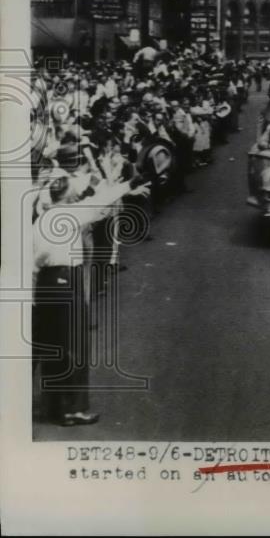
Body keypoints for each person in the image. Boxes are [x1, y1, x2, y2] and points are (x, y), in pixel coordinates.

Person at [33, 169, 150, 426]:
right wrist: (129, 183)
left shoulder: (40, 220)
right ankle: (73, 409)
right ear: (65, 195)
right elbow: (99, 200)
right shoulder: (68, 214)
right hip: (66, 280)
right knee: (76, 347)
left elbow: (33, 263)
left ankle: (54, 408)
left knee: (55, 346)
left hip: (45, 283)